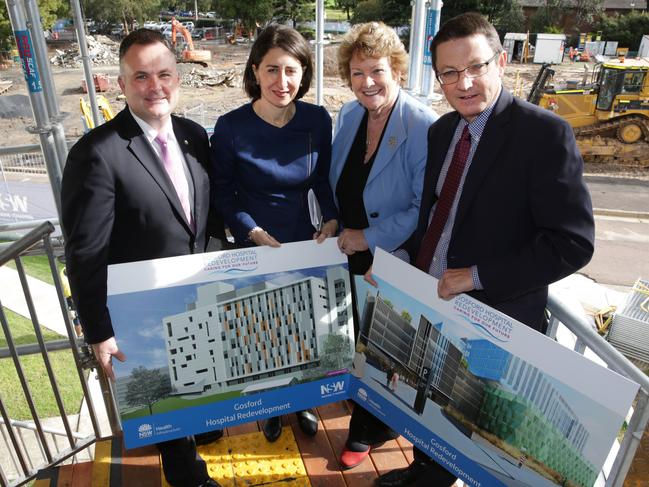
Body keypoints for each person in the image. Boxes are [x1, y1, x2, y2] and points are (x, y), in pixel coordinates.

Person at [375, 13, 595, 487]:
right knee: (431, 402)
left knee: (471, 423)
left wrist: (477, 275)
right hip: (432, 301)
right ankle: (425, 470)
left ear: (501, 63)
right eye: (449, 73)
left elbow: (573, 243)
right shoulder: (441, 131)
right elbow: (436, 216)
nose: (465, 82)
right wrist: (403, 261)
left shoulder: (545, 135)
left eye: (475, 66)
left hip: (493, 316)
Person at [61, 29, 223, 487]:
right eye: (142, 76)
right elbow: (85, 252)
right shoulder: (95, 154)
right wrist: (100, 331)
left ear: (178, 78)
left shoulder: (193, 136)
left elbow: (205, 220)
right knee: (167, 409)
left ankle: (201, 431)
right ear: (121, 83)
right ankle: (186, 474)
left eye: (165, 74)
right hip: (143, 313)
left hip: (195, 298)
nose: (155, 86)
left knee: (198, 385)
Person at [210, 24, 338, 443]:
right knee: (263, 332)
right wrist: (251, 230)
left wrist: (332, 219)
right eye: (271, 70)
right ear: (254, 71)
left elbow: (322, 181)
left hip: (304, 242)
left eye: (291, 70)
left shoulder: (318, 120)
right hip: (257, 243)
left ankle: (300, 401)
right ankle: (270, 407)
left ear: (303, 74)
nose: (281, 82)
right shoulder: (230, 127)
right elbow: (223, 194)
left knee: (304, 328)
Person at [329, 21, 438, 470]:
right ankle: (370, 409)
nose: (367, 82)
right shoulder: (350, 115)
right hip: (349, 253)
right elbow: (340, 182)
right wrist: (335, 220)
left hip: (391, 256)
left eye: (376, 70)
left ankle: (370, 430)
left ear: (395, 68)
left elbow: (421, 207)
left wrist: (370, 240)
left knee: (384, 345)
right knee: (359, 338)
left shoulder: (421, 125)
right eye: (357, 73)